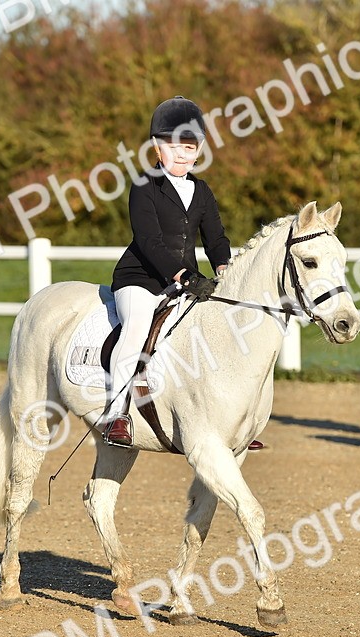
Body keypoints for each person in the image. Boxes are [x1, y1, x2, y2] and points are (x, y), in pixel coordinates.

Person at [102, 96, 241, 448]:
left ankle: (230, 423)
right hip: (141, 279)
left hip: (185, 281)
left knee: (216, 335)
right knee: (134, 332)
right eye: (173, 146)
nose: (182, 154)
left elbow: (216, 237)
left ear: (200, 149)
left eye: (190, 147)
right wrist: (181, 274)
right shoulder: (144, 185)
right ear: (156, 146)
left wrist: (223, 265)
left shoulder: (202, 190)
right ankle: (116, 414)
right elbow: (148, 241)